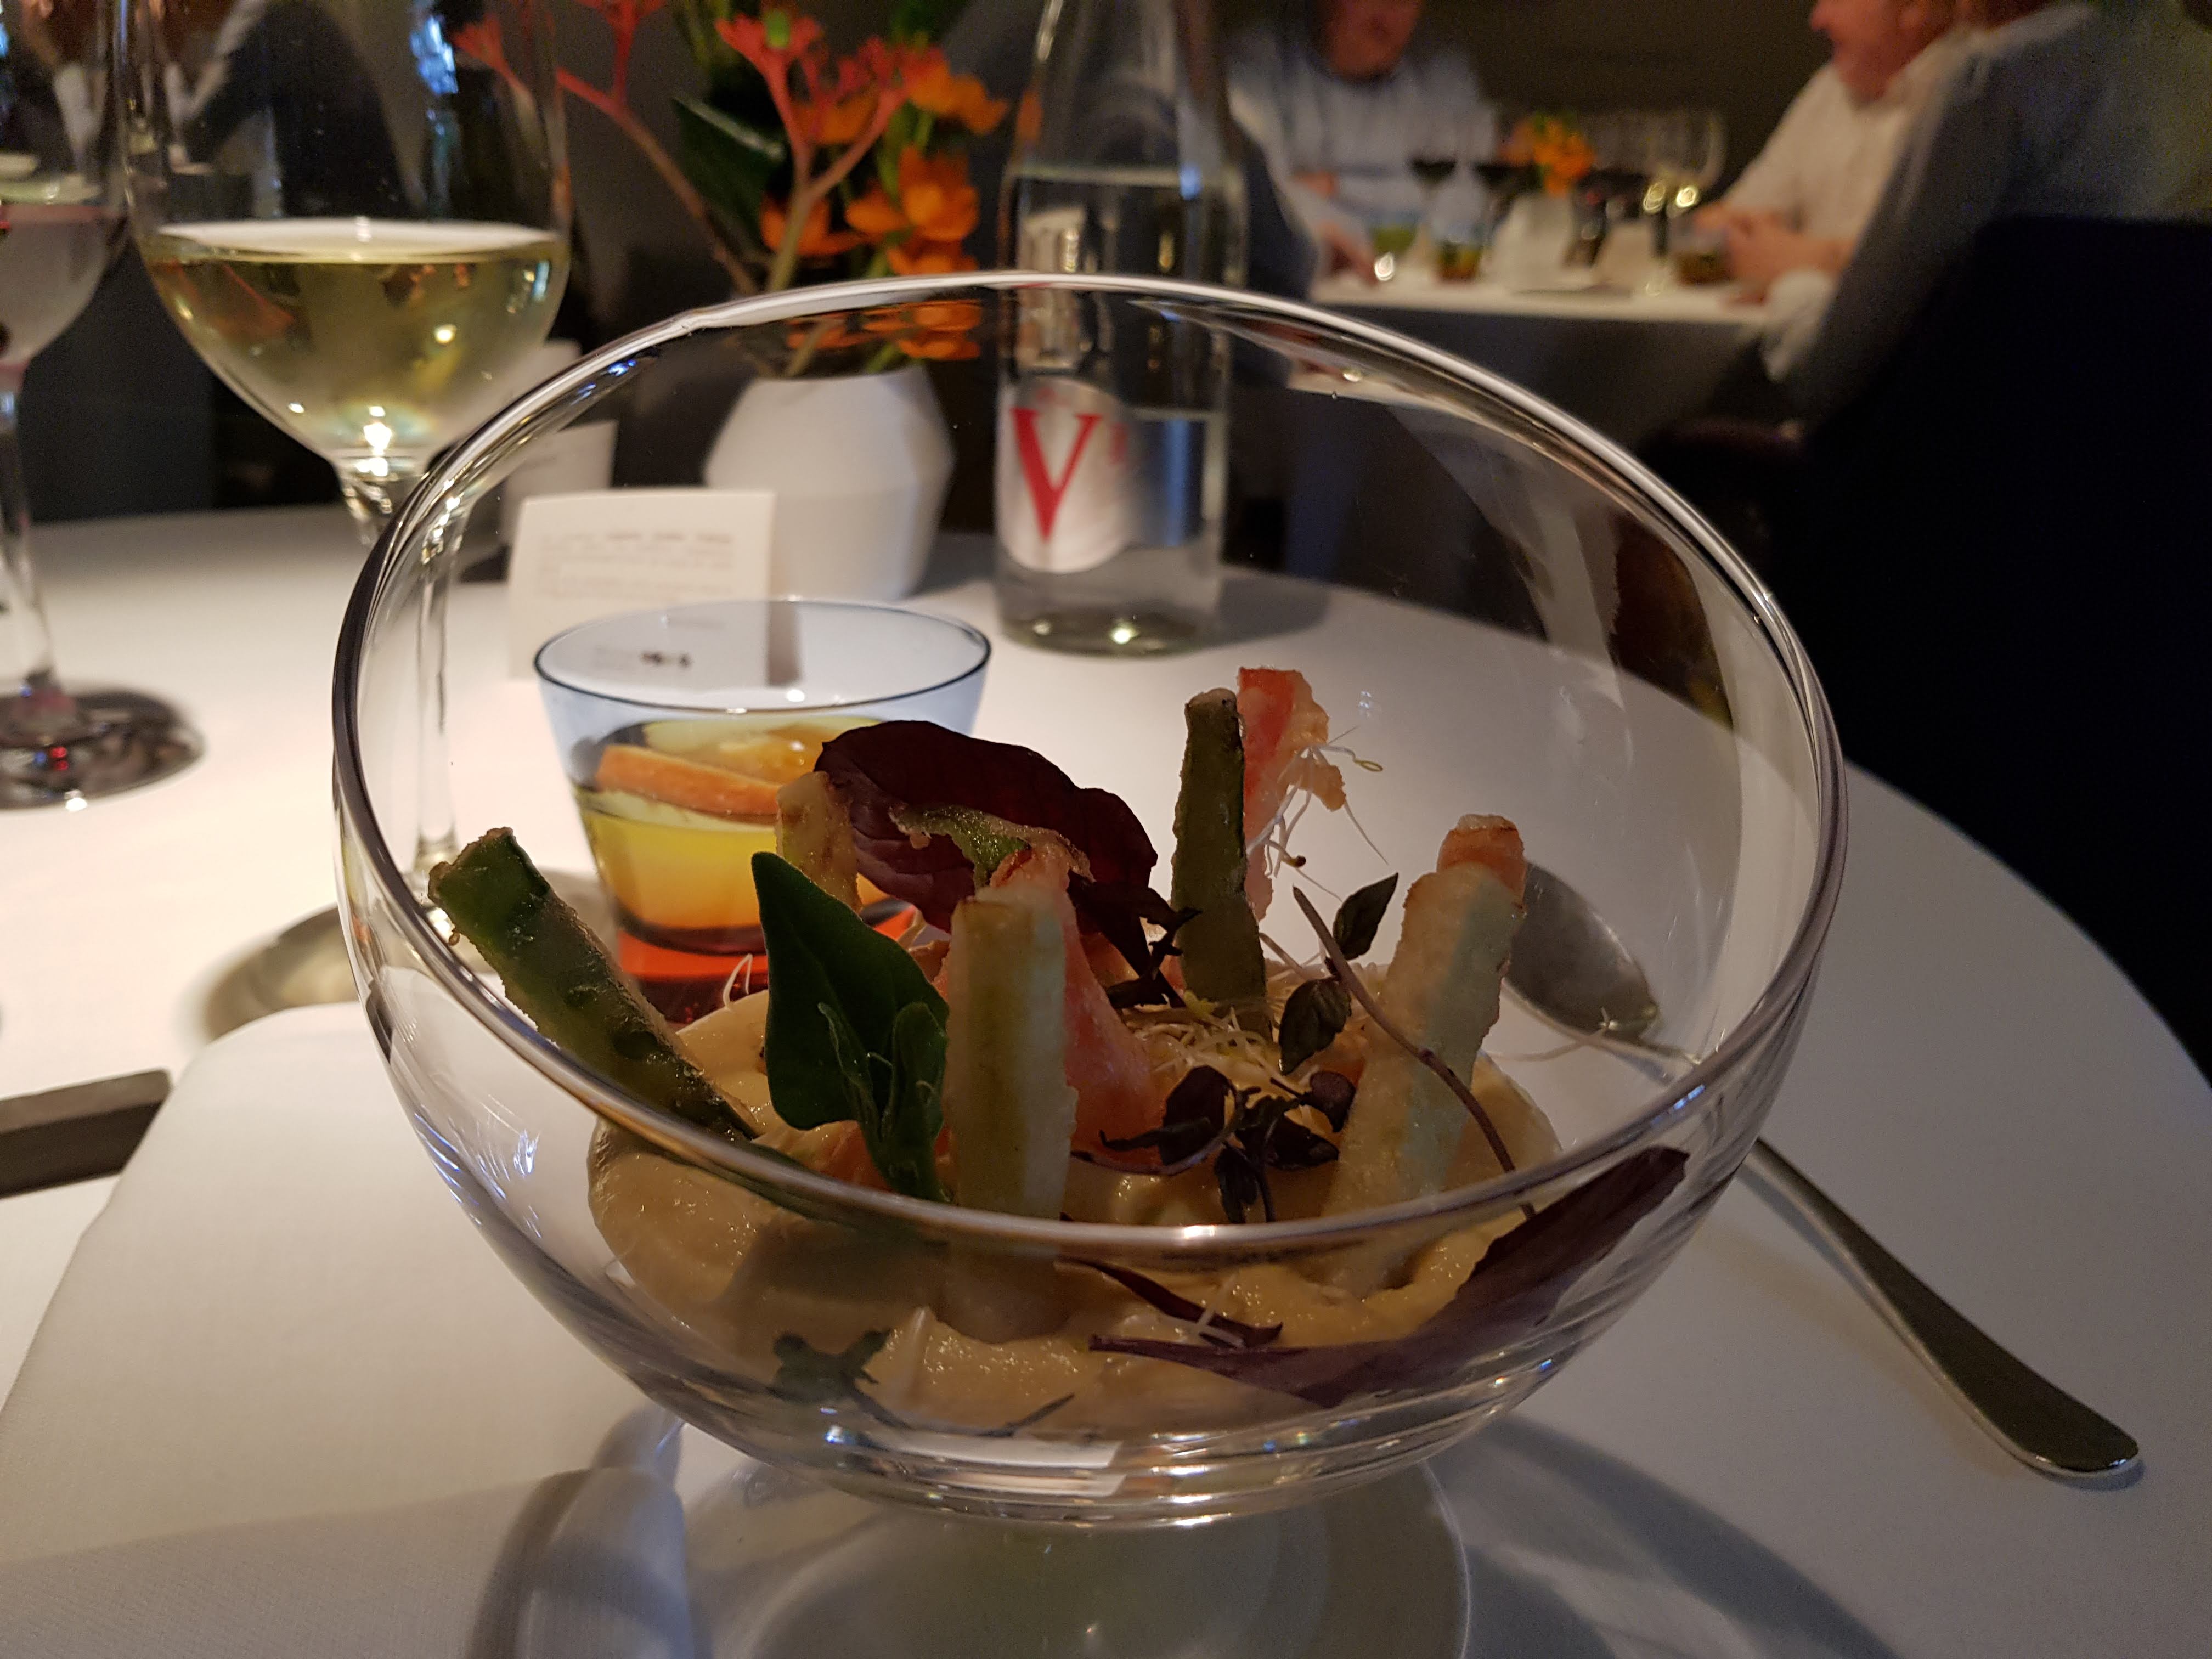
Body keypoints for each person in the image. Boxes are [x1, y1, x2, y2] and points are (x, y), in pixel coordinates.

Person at [1782, 0, 2212, 421]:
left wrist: (1795, 293)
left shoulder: (1996, 77)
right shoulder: (2199, 68)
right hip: (2151, 453)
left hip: (1958, 454)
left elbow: (1831, 372)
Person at [1705, 0, 1966, 302]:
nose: (1819, 20)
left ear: (1915, 7)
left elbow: (1945, 262)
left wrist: (1820, 260)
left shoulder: (1973, 95)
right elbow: (1719, 222)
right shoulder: (1832, 87)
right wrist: (1753, 244)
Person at [1228, 0, 1494, 280]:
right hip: (1308, 291)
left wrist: (1338, 186)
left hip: (1419, 291)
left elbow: (1466, 202)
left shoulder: (1441, 69)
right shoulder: (1256, 61)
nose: (1390, 9)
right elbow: (1266, 209)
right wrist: (1326, 245)